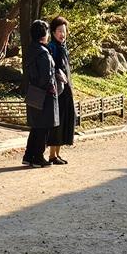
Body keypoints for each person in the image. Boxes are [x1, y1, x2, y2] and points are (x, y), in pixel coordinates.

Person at [22, 19, 59, 168]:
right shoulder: (43, 53)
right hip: (45, 94)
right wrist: (52, 86)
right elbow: (46, 76)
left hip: (33, 92)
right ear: (44, 34)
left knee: (36, 127)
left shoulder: (31, 50)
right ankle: (38, 157)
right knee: (43, 127)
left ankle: (28, 156)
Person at [46, 16, 75, 165]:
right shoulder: (52, 47)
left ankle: (57, 154)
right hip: (58, 91)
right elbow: (51, 68)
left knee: (64, 121)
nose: (62, 34)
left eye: (64, 31)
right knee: (57, 122)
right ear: (53, 32)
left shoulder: (63, 47)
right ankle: (52, 155)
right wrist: (58, 73)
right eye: (59, 31)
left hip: (66, 89)